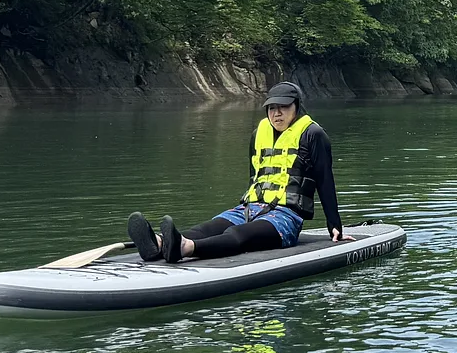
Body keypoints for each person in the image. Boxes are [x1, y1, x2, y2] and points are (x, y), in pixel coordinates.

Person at [126, 81, 350, 263]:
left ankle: (185, 248)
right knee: (208, 227)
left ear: (297, 106)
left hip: (285, 217)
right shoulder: (258, 134)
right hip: (249, 208)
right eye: (272, 108)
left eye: (284, 107)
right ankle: (159, 244)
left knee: (238, 235)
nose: (277, 113)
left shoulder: (313, 134)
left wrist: (334, 226)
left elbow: (325, 180)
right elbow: (256, 177)